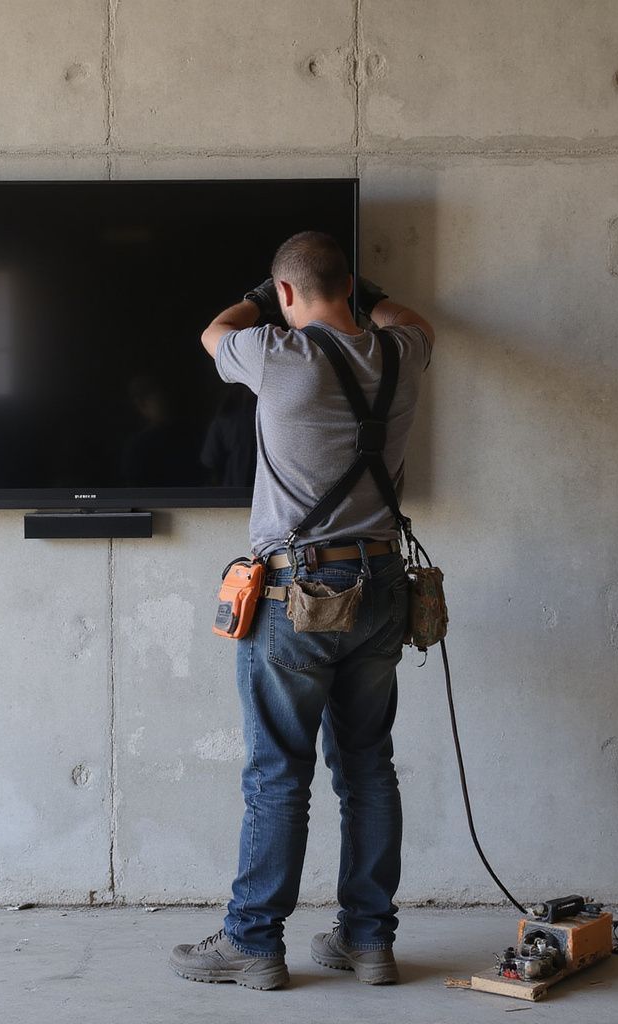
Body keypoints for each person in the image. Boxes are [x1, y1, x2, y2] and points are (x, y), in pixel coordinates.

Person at [169, 230, 434, 991]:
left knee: (278, 773)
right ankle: (369, 941)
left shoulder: (277, 354)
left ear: (285, 294)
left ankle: (253, 942)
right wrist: (368, 297)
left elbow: (213, 332)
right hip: (384, 584)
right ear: (350, 288)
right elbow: (416, 321)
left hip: (299, 594)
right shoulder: (402, 353)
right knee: (368, 766)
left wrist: (258, 298)